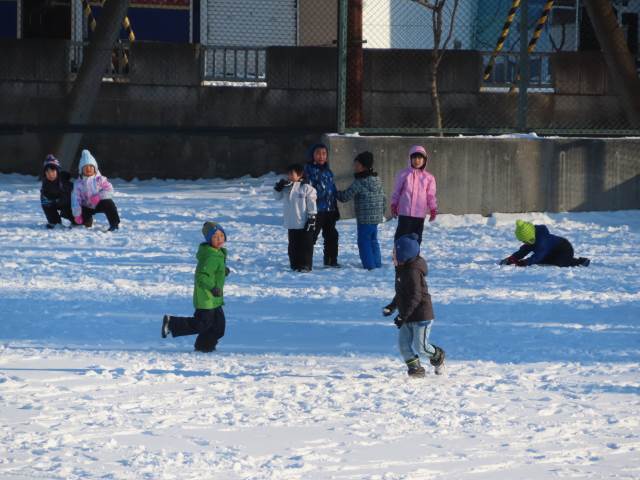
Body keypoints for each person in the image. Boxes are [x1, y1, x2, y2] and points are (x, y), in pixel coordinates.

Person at [382, 233, 445, 377]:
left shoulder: (413, 272)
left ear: (404, 256)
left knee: (421, 348)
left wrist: (402, 316)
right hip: (408, 315)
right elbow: (402, 293)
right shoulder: (402, 270)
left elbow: (415, 297)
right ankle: (416, 369)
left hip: (421, 315)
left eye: (394, 253)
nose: (392, 256)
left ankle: (438, 356)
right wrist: (392, 307)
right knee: (404, 345)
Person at [162, 221, 229, 352]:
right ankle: (171, 323)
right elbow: (201, 276)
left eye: (221, 235)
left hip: (214, 298)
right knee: (202, 324)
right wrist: (212, 287)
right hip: (206, 298)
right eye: (215, 237)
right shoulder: (210, 256)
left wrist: (222, 270)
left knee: (218, 328)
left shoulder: (217, 253)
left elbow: (211, 271)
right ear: (209, 240)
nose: (219, 239)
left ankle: (204, 347)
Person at [336, 151, 386, 270]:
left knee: (364, 242)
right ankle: (377, 263)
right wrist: (382, 211)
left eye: (356, 164)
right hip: (376, 217)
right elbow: (384, 197)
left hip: (365, 218)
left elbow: (345, 196)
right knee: (373, 240)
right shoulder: (377, 179)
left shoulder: (360, 182)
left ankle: (369, 266)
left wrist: (334, 192)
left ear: (363, 166)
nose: (354, 167)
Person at [273, 164, 318, 272]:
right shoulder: (286, 188)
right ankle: (295, 264)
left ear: (300, 174)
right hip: (291, 223)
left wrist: (312, 217)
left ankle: (305, 265)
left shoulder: (306, 188)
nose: (289, 176)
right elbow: (277, 197)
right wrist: (278, 188)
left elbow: (311, 203)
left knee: (305, 246)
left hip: (304, 223)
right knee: (293, 246)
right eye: (288, 173)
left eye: (291, 173)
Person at [390, 145, 438, 245]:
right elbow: (397, 191)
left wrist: (433, 209)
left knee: (416, 239)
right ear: (410, 159)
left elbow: (431, 196)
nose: (417, 160)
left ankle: (413, 259)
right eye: (414, 157)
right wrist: (394, 204)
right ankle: (399, 258)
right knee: (401, 237)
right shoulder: (403, 174)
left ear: (424, 160)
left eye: (420, 158)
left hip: (419, 215)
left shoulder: (428, 178)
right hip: (404, 214)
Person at [304, 143, 340, 267]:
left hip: (329, 209)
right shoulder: (308, 170)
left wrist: (335, 204)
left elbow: (332, 188)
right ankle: (305, 261)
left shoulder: (328, 171)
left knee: (332, 236)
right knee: (311, 236)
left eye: (324, 153)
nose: (321, 156)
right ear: (312, 155)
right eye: (318, 153)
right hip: (316, 209)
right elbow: (307, 190)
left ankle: (331, 260)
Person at [500, 220, 590, 267]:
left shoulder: (542, 240)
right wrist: (512, 258)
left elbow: (540, 253)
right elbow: (523, 251)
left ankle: (581, 261)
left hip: (564, 248)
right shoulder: (531, 240)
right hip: (550, 252)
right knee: (541, 261)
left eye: (524, 240)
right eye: (522, 241)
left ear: (530, 236)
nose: (524, 243)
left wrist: (525, 263)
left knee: (561, 263)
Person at [71, 149, 121, 231]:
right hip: (86, 206)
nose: (88, 169)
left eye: (91, 166)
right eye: (85, 167)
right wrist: (77, 214)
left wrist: (98, 197)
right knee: (79, 221)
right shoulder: (78, 184)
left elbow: (109, 190)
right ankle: (87, 220)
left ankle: (114, 223)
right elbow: (75, 199)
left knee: (109, 203)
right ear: (81, 170)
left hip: (99, 203)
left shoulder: (100, 179)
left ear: (95, 168)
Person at [40, 154, 74, 229]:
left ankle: (81, 219)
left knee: (75, 218)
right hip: (53, 204)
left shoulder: (65, 183)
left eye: (53, 171)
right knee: (47, 206)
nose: (50, 174)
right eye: (47, 172)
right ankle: (54, 220)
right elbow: (45, 203)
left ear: (57, 171)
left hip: (67, 205)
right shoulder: (45, 185)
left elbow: (73, 198)